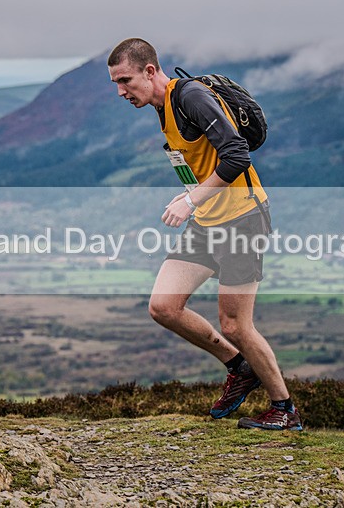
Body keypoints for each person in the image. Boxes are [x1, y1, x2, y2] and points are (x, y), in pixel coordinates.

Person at [107, 38, 302, 431]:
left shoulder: (191, 97)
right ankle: (240, 368)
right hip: (208, 221)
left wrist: (190, 200)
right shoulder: (162, 107)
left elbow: (237, 155)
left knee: (235, 325)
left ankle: (284, 409)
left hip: (243, 219)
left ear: (150, 71)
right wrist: (194, 198)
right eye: (115, 83)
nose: (120, 92)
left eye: (125, 81)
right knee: (164, 306)